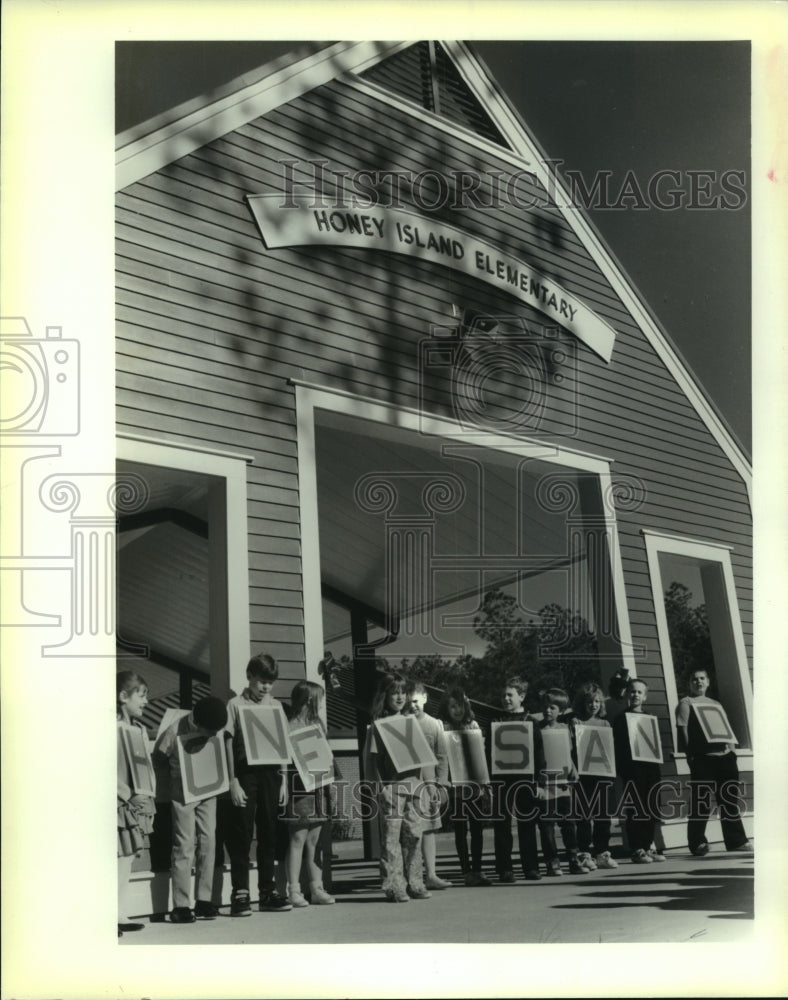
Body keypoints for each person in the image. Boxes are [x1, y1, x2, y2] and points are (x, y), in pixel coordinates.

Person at [223, 653, 292, 915]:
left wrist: (284, 779)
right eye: (261, 681)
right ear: (250, 676)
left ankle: (267, 891)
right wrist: (233, 781)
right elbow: (228, 743)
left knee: (269, 833)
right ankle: (240, 893)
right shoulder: (235, 705)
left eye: (270, 682)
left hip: (272, 774)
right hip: (245, 774)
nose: (265, 687)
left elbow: (283, 742)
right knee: (241, 833)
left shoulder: (275, 706)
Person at [152, 695, 228, 922]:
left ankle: (204, 900)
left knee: (208, 841)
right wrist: (171, 780)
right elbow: (159, 757)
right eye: (210, 732)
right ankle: (181, 905)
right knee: (184, 844)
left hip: (208, 788)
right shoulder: (174, 730)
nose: (213, 736)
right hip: (182, 791)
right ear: (198, 724)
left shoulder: (214, 728)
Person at [363, 672, 429, 902]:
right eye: (394, 692)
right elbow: (371, 760)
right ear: (385, 695)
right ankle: (394, 886)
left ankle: (415, 882)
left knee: (414, 836)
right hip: (391, 788)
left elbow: (421, 756)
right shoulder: (378, 726)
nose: (399, 697)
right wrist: (380, 788)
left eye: (403, 692)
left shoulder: (412, 723)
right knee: (391, 840)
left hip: (414, 786)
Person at [675, 667, 751, 855]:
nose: (698, 682)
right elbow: (682, 729)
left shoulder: (716, 704)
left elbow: (725, 729)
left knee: (729, 800)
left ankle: (736, 841)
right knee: (701, 802)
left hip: (725, 758)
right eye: (694, 679)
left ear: (708, 682)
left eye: (702, 678)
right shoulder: (686, 703)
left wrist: (731, 752)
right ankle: (697, 843)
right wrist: (690, 755)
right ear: (689, 684)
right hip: (702, 759)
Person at [283, 681, 335, 906]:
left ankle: (317, 888)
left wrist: (329, 787)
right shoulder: (288, 726)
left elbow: (326, 756)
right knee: (298, 838)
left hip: (318, 788)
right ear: (308, 700)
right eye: (319, 699)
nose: (320, 703)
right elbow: (284, 760)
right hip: (298, 788)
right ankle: (294, 890)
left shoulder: (318, 725)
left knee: (315, 840)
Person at [488, 677, 544, 882]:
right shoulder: (495, 721)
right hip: (501, 781)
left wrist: (539, 781)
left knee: (527, 823)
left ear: (521, 696)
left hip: (525, 780)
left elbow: (539, 754)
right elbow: (489, 753)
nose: (505, 698)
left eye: (510, 695)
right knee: (501, 824)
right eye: (503, 695)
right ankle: (505, 868)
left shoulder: (531, 721)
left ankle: (531, 867)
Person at [117, 671, 156, 937]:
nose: (146, 702)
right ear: (122, 697)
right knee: (113, 857)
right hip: (115, 801)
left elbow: (146, 769)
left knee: (127, 856)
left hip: (133, 804)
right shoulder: (110, 729)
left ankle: (117, 911)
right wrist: (125, 792)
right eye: (141, 696)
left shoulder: (139, 730)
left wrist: (148, 799)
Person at [440, 687, 492, 886]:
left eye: (460, 706)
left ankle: (477, 869)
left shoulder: (474, 725)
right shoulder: (442, 728)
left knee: (477, 828)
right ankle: (466, 870)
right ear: (447, 708)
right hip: (456, 789)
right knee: (460, 830)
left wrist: (486, 784)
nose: (457, 710)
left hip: (475, 786)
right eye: (453, 706)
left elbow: (481, 755)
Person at [612, 678, 663, 864]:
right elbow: (617, 746)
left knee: (650, 806)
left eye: (639, 692)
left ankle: (648, 845)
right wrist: (622, 769)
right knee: (636, 808)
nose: (635, 695)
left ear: (645, 697)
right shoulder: (620, 719)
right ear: (627, 693)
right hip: (632, 770)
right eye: (632, 691)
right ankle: (637, 848)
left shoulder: (650, 718)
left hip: (650, 768)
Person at [407, 679, 451, 890]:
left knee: (429, 829)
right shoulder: (401, 723)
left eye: (415, 701)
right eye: (409, 702)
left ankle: (431, 874)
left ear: (424, 698)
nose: (412, 705)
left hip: (429, 785)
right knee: (410, 831)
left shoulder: (434, 724)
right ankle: (411, 875)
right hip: (409, 784)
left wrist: (440, 785)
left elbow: (442, 756)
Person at [567, 682, 617, 870]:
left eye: (597, 701)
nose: (593, 705)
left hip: (602, 774)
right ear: (582, 703)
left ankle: (602, 852)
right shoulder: (575, 722)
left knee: (603, 815)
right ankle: (584, 853)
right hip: (582, 775)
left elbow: (608, 751)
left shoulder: (605, 723)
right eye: (589, 701)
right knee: (583, 816)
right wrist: (572, 728)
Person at [538, 688, 585, 876]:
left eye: (553, 707)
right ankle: (552, 861)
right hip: (546, 785)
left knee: (568, 824)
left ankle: (573, 858)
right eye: (545, 707)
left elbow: (568, 753)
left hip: (563, 785)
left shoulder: (565, 729)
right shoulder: (537, 730)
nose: (548, 711)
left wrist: (573, 768)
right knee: (547, 825)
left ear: (561, 710)